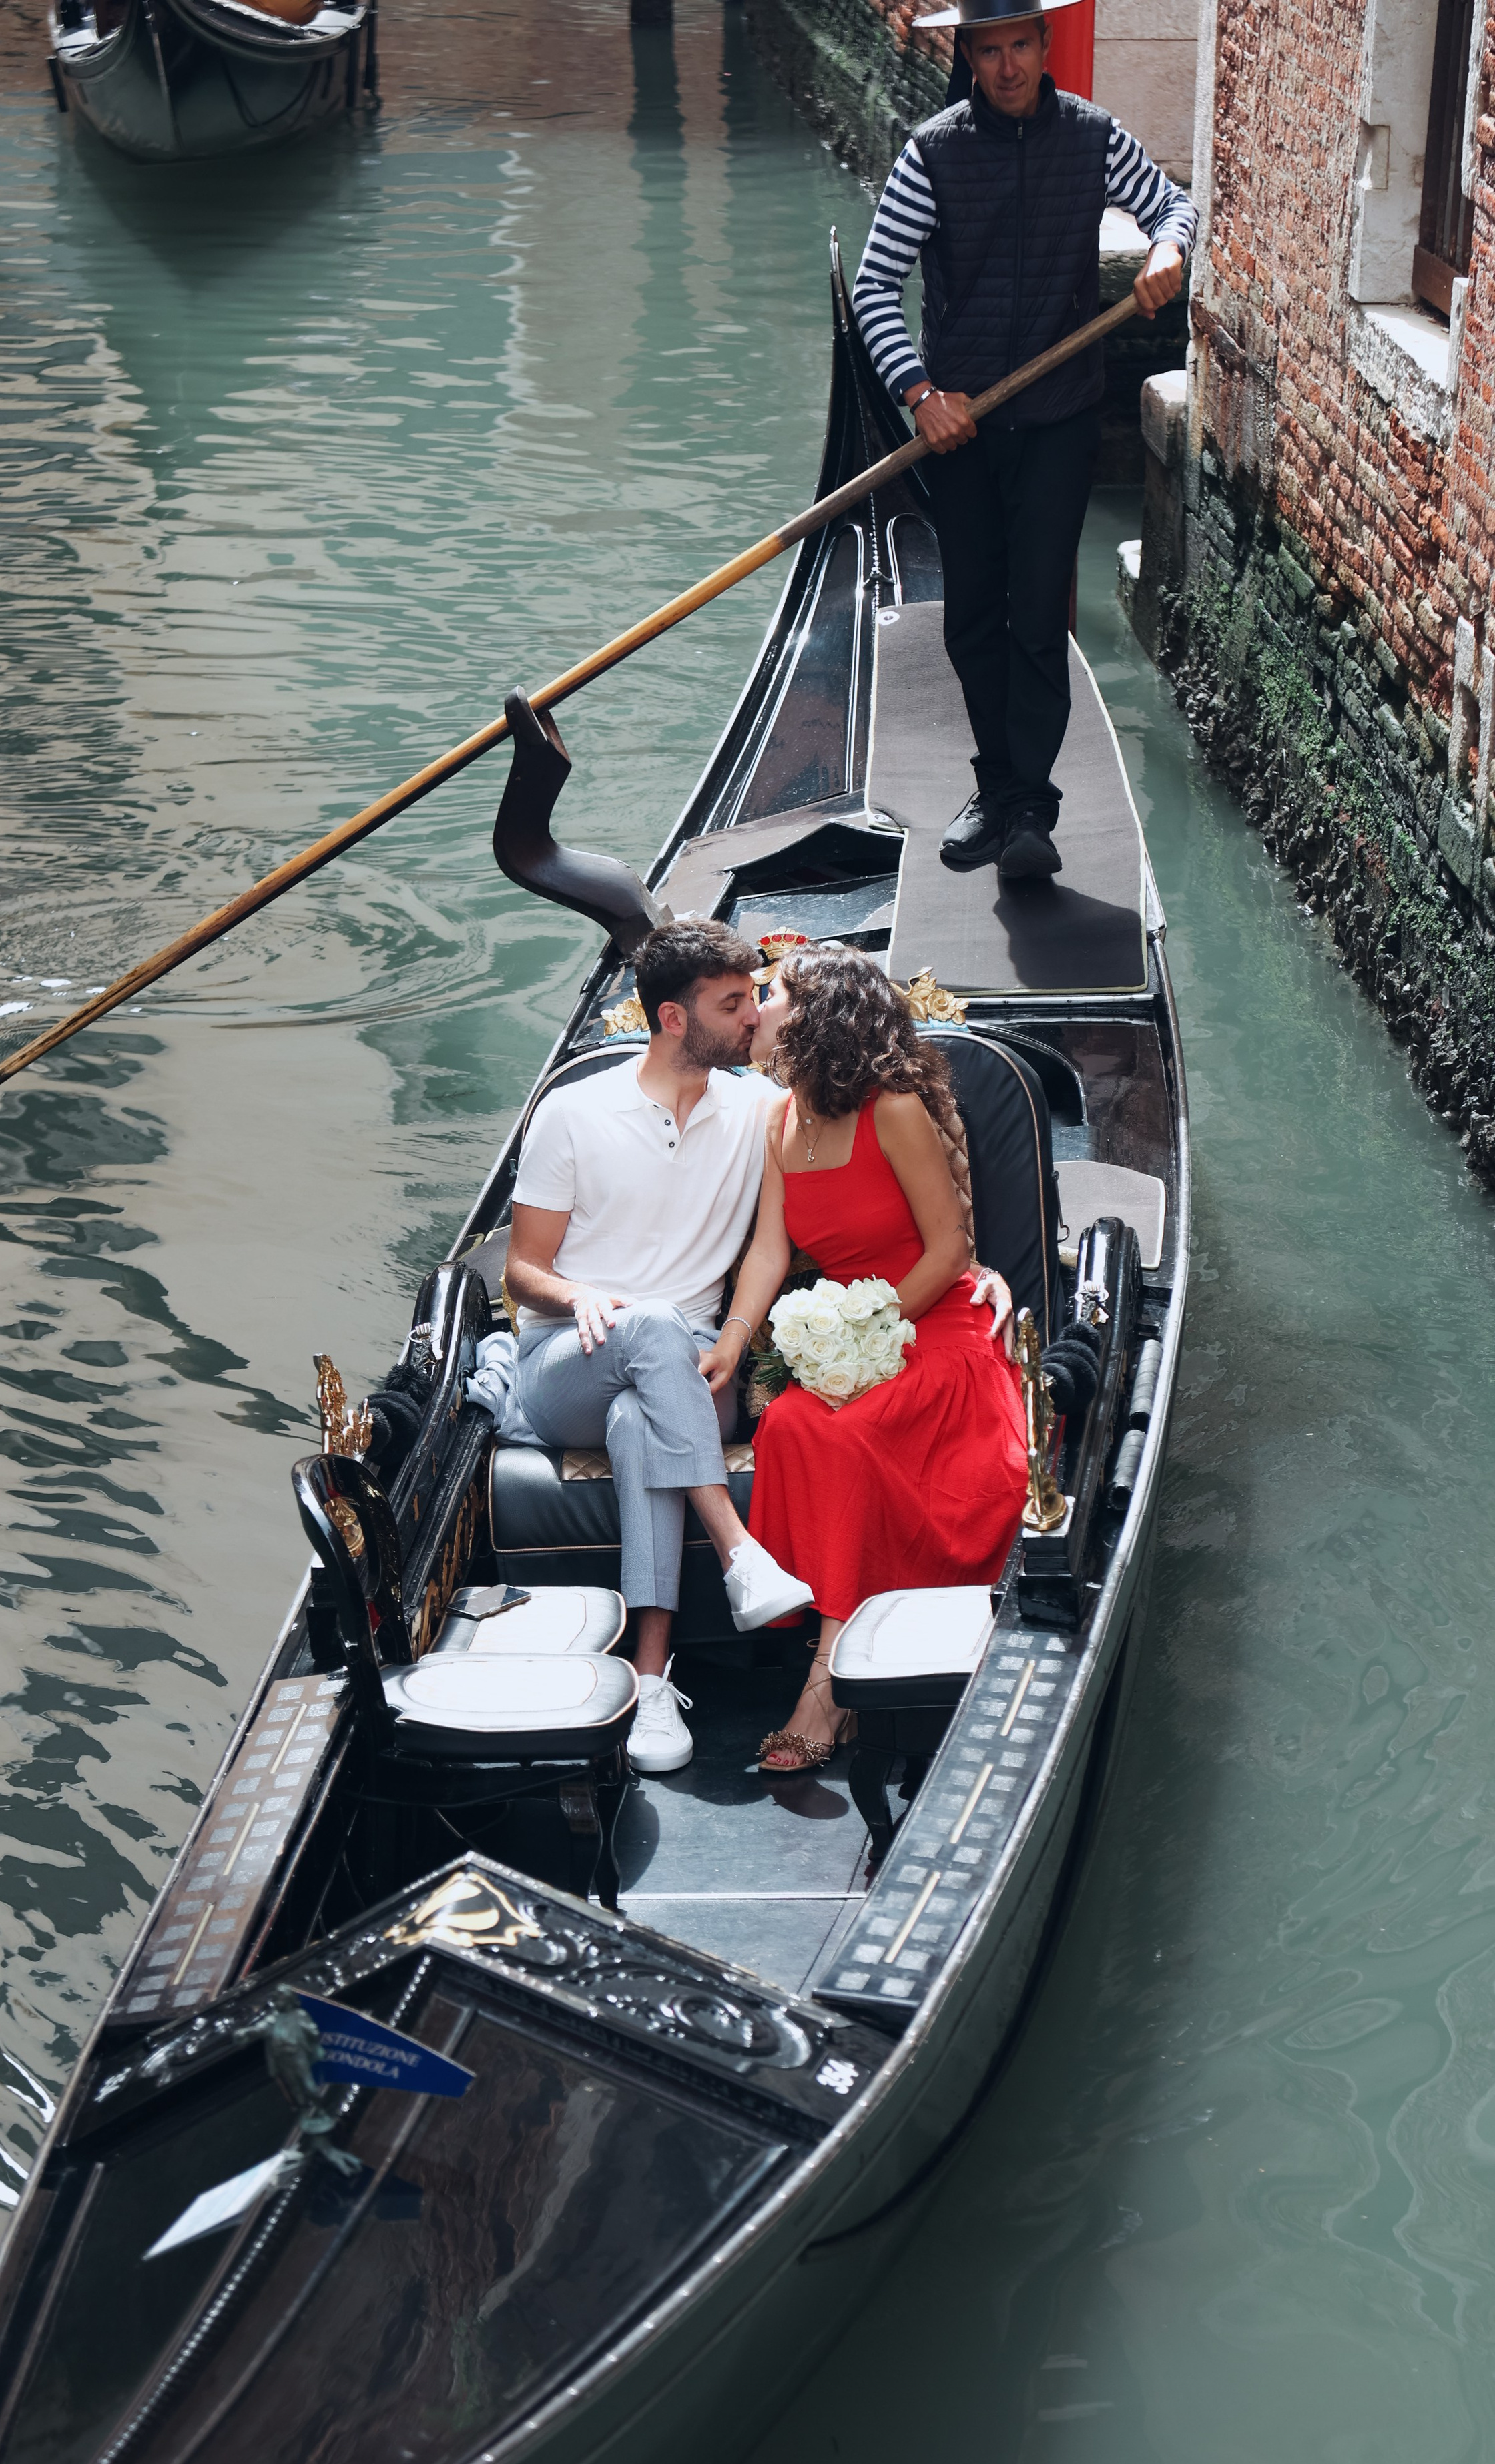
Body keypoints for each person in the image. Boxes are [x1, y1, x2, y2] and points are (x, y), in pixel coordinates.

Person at [850, 2, 1197, 883]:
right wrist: (919, 394)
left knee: (1037, 614)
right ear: (968, 54)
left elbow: (1175, 206)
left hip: (1058, 420)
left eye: (1020, 47)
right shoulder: (933, 153)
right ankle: (997, 786)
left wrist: (1166, 248)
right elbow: (874, 288)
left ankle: (1031, 809)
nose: (1006, 67)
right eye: (989, 50)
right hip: (961, 427)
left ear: (1044, 48)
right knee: (972, 620)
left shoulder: (1093, 138)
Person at [701, 947, 1028, 1773]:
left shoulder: (895, 1109)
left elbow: (951, 1247)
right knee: (789, 1428)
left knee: (842, 1436)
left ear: (815, 1015)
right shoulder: (779, 1122)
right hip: (855, 1341)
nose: (755, 1012)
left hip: (934, 1328)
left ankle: (827, 1686)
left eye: (769, 995)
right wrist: (733, 1342)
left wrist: (873, 1328)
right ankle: (843, 1658)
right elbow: (769, 1254)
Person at [503, 918, 816, 1777]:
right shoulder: (573, 1112)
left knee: (648, 1409)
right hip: (565, 1360)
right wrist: (583, 1296)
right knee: (646, 1324)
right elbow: (524, 1272)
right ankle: (740, 1554)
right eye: (732, 1002)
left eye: (754, 995)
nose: (752, 1015)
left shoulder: (761, 1109)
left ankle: (646, 1683)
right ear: (673, 1019)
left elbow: (767, 1249)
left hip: (695, 1366)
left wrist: (740, 1338)